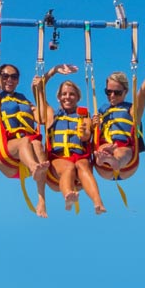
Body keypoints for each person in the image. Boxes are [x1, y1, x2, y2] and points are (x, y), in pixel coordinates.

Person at [0, 24, 64, 217]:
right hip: (6, 155)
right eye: (5, 76)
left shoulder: (25, 102)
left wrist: (47, 78)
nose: (9, 79)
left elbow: (45, 118)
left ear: (18, 80)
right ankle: (35, 168)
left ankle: (41, 200)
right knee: (27, 141)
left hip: (30, 153)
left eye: (14, 76)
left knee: (37, 143)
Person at [94, 56, 145, 180]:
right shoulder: (101, 111)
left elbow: (142, 93)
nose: (112, 96)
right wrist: (93, 124)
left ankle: (114, 161)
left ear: (126, 92)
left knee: (122, 152)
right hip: (104, 166)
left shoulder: (132, 110)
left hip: (126, 163)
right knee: (102, 148)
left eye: (117, 92)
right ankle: (104, 158)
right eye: (108, 92)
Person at [35, 74, 106, 214]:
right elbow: (39, 93)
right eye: (64, 94)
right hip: (58, 159)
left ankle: (98, 202)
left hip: (80, 157)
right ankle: (68, 195)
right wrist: (52, 72)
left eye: (72, 94)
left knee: (83, 165)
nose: (67, 97)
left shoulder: (84, 116)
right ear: (59, 97)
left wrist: (84, 131)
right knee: (69, 167)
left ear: (78, 98)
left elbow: (86, 137)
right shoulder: (51, 115)